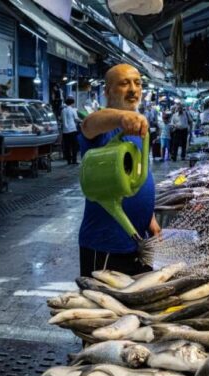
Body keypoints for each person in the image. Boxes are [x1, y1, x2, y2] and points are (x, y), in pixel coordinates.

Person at [77, 63, 161, 277]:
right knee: (104, 308)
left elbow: (138, 174)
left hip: (138, 241)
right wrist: (121, 118)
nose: (133, 89)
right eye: (124, 83)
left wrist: (149, 217)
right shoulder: (104, 128)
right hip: (106, 245)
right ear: (107, 91)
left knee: (134, 307)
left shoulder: (138, 128)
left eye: (137, 83)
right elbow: (88, 124)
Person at [61, 97, 81, 164]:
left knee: (67, 146)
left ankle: (68, 161)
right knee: (74, 146)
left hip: (65, 131)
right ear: (72, 103)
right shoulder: (73, 110)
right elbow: (76, 119)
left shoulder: (63, 110)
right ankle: (74, 160)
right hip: (72, 129)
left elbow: (63, 121)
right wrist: (82, 121)